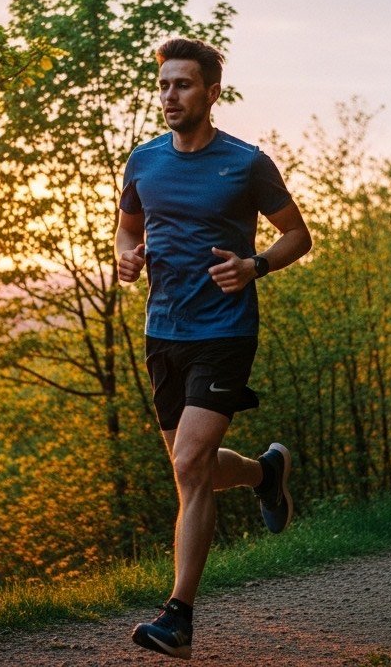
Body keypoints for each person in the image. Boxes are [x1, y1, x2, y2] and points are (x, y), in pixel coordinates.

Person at [116, 37, 312, 660]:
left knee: (187, 465)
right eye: (164, 85)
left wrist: (254, 266)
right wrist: (127, 255)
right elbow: (128, 225)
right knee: (191, 465)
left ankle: (179, 617)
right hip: (162, 333)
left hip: (224, 332)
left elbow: (298, 235)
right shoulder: (143, 162)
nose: (169, 96)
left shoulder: (246, 164)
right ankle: (264, 473)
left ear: (211, 93)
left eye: (182, 85)